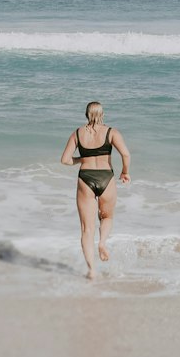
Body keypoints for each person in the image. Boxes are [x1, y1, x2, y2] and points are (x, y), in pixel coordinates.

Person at [60, 101, 131, 278]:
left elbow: (65, 160)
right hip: (106, 177)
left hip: (85, 179)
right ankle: (102, 243)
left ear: (86, 114)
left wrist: (81, 160)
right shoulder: (111, 132)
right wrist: (125, 172)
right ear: (102, 114)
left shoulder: (77, 133)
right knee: (107, 216)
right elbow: (126, 154)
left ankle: (91, 270)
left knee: (86, 229)